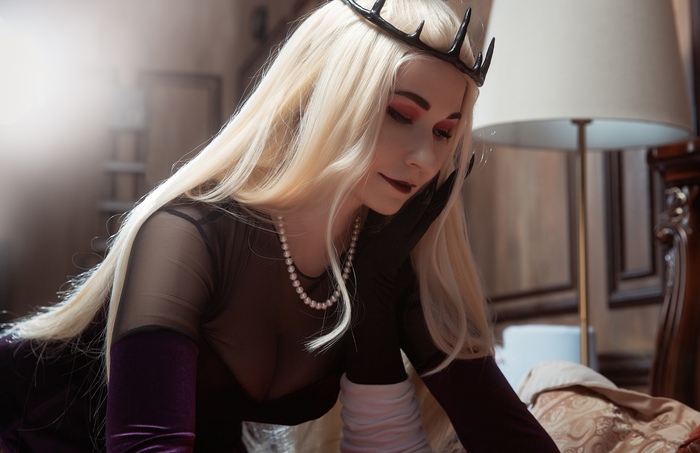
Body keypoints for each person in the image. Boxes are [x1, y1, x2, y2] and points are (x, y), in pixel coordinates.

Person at [0, 0, 559, 451]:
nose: (424, 158)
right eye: (399, 113)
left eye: (444, 132)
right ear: (329, 99)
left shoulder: (382, 255)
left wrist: (377, 289)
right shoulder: (187, 236)